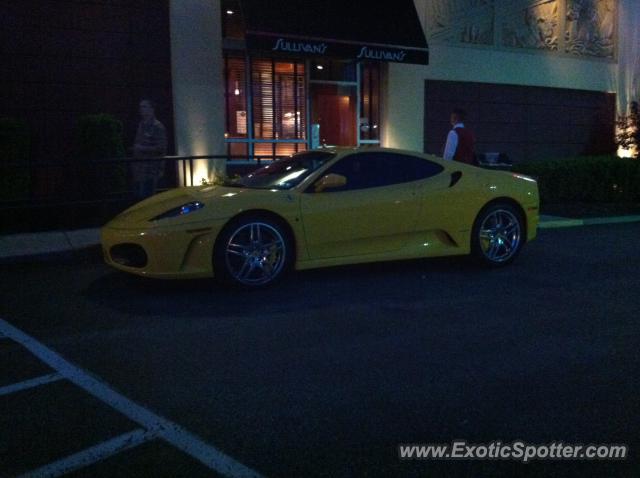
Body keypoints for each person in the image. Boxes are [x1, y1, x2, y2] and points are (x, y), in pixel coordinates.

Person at [132, 99, 167, 198]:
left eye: (144, 107)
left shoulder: (157, 127)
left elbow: (161, 147)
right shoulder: (141, 125)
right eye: (140, 107)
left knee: (148, 198)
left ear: (152, 109)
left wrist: (142, 148)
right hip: (140, 170)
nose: (141, 109)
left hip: (151, 170)